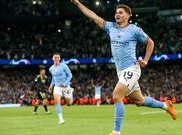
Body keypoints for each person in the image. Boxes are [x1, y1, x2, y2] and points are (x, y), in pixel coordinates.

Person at [72, 1, 176, 134]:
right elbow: (92, 16)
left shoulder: (134, 30)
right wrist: (77, 3)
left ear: (128, 16)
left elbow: (150, 43)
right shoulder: (111, 27)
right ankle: (166, 106)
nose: (117, 14)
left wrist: (145, 60)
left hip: (132, 69)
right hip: (120, 71)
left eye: (120, 12)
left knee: (116, 96)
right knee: (139, 101)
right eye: (116, 12)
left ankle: (116, 131)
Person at [48, 53, 74, 124]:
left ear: (59, 59)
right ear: (52, 58)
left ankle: (70, 97)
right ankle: (61, 119)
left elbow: (70, 75)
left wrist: (65, 83)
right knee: (56, 101)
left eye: (58, 57)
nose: (56, 59)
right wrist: (51, 86)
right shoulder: (51, 68)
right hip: (57, 87)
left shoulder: (64, 66)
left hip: (66, 86)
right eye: (55, 57)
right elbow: (53, 78)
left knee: (69, 103)